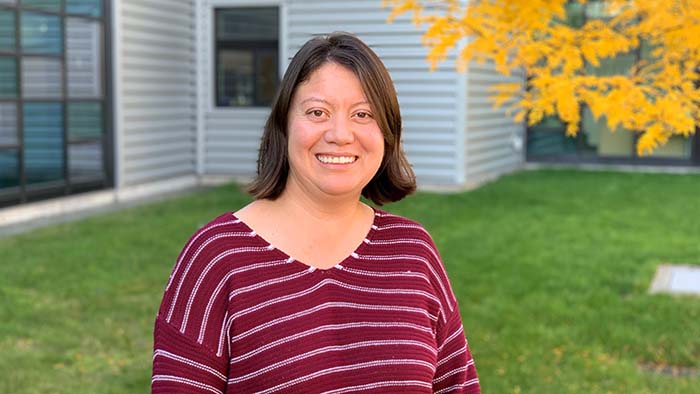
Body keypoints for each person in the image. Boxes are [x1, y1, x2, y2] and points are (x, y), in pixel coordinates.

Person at [152, 33, 480, 393]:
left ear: (387, 132)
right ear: (284, 124)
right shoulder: (216, 257)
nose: (340, 134)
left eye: (363, 114)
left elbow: (457, 386)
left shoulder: (413, 251)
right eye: (317, 112)